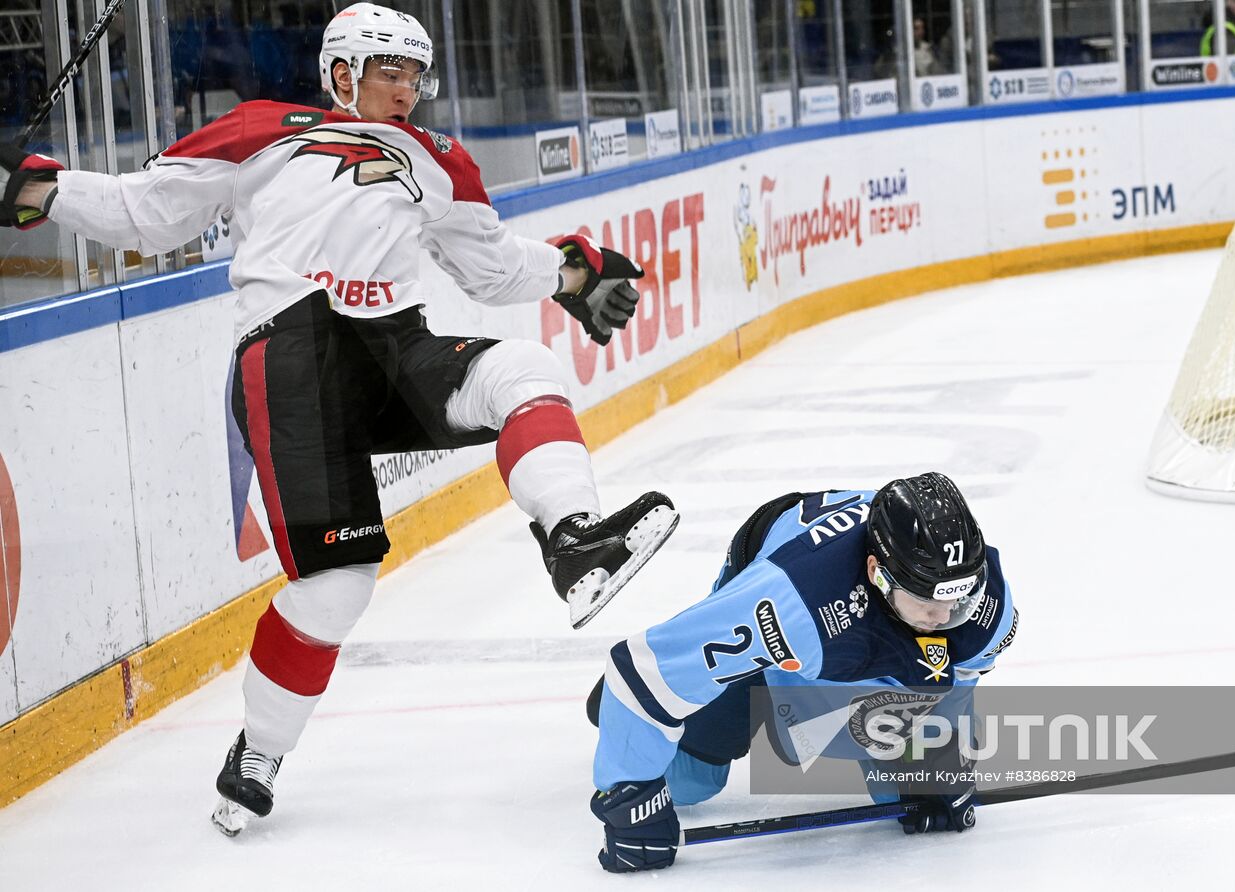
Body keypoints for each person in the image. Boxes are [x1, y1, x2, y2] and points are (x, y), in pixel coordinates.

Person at [0, 2, 679, 836]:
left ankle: (574, 540)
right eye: (389, 71)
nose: (407, 89)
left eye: (415, 75)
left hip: (396, 347)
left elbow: (494, 269)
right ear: (341, 74)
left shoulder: (436, 159)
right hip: (290, 350)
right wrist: (43, 188)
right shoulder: (260, 130)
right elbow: (147, 210)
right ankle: (258, 753)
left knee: (525, 369)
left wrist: (575, 271)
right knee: (337, 587)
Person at [585, 472, 1018, 872]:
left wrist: (942, 759)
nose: (944, 617)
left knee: (902, 783)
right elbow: (638, 672)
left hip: (840, 632)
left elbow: (955, 685)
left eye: (960, 598)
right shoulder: (788, 603)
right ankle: (625, 705)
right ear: (877, 573)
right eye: (927, 600)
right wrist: (629, 794)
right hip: (791, 604)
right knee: (692, 781)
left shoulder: (986, 609)